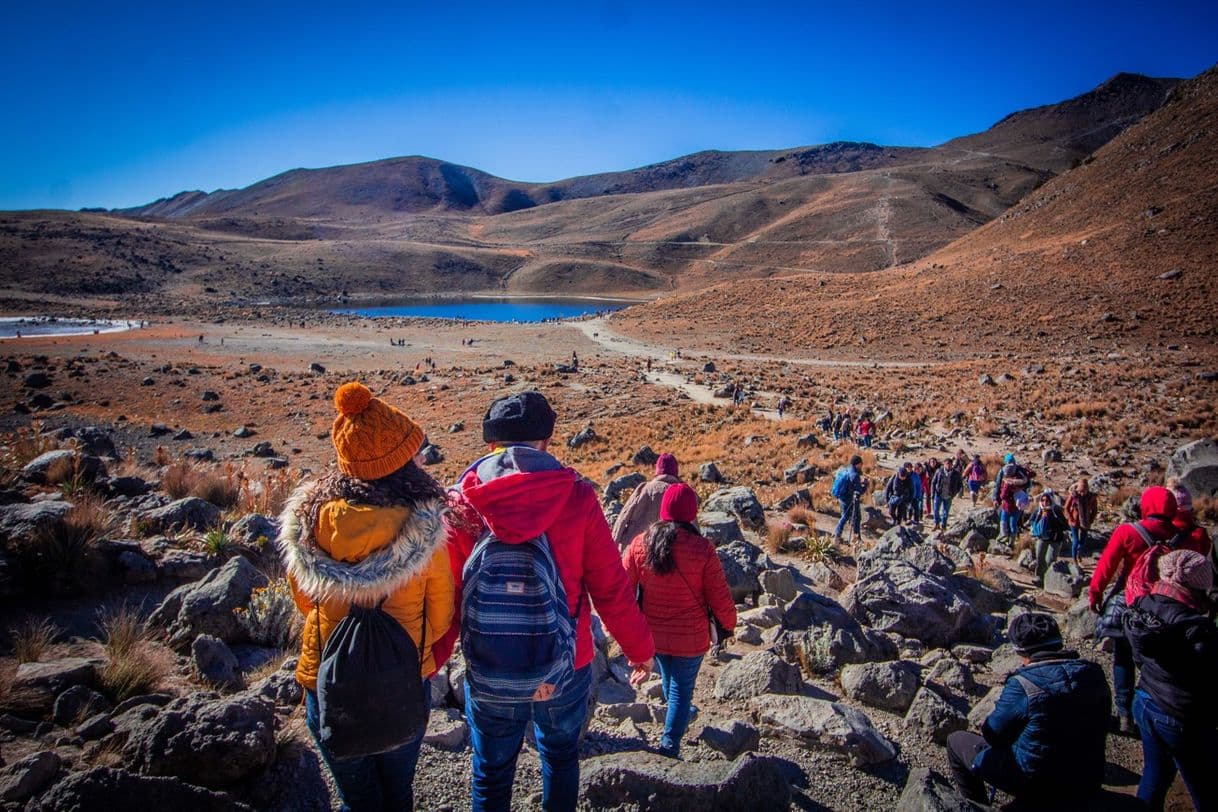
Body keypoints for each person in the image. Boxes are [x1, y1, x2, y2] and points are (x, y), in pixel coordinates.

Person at [433, 391, 655, 812]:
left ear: (489, 445)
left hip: (489, 662)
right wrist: (640, 649)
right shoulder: (577, 497)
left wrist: (432, 659)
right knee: (558, 756)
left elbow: (449, 596)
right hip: (564, 663)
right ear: (546, 442)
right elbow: (610, 588)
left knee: (492, 770)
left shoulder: (462, 503)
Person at [278, 382, 454, 811]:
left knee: (357, 797)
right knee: (398, 794)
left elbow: (305, 600)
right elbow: (443, 613)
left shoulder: (313, 520)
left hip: (329, 679)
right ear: (401, 463)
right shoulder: (425, 528)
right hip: (403, 678)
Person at [946, 613, 1110, 807]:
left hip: (1035, 780)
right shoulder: (1094, 673)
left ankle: (977, 806)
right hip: (1089, 773)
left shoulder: (1023, 685)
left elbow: (993, 735)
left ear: (1020, 651)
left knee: (956, 740)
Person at [622, 484, 736, 757]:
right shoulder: (702, 549)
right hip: (691, 637)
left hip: (653, 635)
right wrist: (729, 624)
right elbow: (719, 595)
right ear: (692, 513)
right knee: (680, 690)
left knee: (671, 681)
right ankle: (669, 745)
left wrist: (627, 629)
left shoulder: (641, 543)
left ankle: (682, 716)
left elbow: (621, 586)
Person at [1088, 486, 1193, 734]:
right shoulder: (1182, 537)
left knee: (1123, 656)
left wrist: (1096, 593)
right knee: (1155, 661)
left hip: (1131, 604)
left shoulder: (1129, 532)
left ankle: (1125, 714)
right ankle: (1156, 712)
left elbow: (1106, 566)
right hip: (1167, 607)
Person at [1123, 549, 1218, 811]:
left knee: (1155, 772)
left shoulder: (1141, 606)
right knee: (1205, 783)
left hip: (1146, 698)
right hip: (1182, 714)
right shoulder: (1196, 628)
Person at [611, 453, 682, 550]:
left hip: (634, 549)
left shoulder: (643, 488)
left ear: (657, 471)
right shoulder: (679, 494)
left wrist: (612, 547)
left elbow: (622, 518)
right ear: (675, 472)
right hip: (665, 553)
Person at [1030, 490, 1068, 586]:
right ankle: (1039, 577)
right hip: (1042, 538)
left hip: (1055, 539)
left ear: (1051, 501)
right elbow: (1031, 520)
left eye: (1047, 500)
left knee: (1050, 560)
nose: (1045, 502)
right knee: (1039, 559)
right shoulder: (1039, 510)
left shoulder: (1055, 510)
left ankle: (1048, 580)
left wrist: (1051, 519)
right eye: (1043, 500)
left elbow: (1064, 525)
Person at [831, 455, 869, 542]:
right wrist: (865, 485)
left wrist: (859, 483)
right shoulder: (855, 475)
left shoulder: (846, 469)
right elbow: (860, 491)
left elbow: (851, 484)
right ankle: (856, 537)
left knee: (845, 516)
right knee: (856, 517)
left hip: (842, 496)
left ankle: (838, 535)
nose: (862, 465)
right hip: (849, 498)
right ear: (857, 464)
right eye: (861, 464)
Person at [1064, 478, 1098, 565]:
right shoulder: (1073, 496)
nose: (1082, 493)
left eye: (1084, 491)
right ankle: (1074, 558)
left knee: (1083, 541)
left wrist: (1091, 520)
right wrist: (1070, 518)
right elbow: (1066, 508)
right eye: (1080, 491)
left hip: (1085, 522)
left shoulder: (1091, 498)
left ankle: (1079, 553)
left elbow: (1094, 510)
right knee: (1075, 541)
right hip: (1074, 522)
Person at [995, 455, 1028, 543]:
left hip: (1009, 503)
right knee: (1013, 522)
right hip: (1019, 503)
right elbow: (1027, 483)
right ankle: (1011, 539)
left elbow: (999, 487)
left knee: (1004, 520)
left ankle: (1005, 536)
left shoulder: (1004, 472)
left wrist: (996, 498)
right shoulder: (1021, 472)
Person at [930, 457, 963, 531]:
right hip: (939, 494)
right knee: (936, 510)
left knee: (945, 511)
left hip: (948, 495)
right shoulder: (939, 471)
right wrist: (933, 492)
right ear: (944, 464)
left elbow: (959, 484)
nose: (948, 465)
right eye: (947, 464)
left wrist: (954, 493)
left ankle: (944, 525)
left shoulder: (956, 473)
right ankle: (936, 524)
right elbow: (933, 482)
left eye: (950, 464)